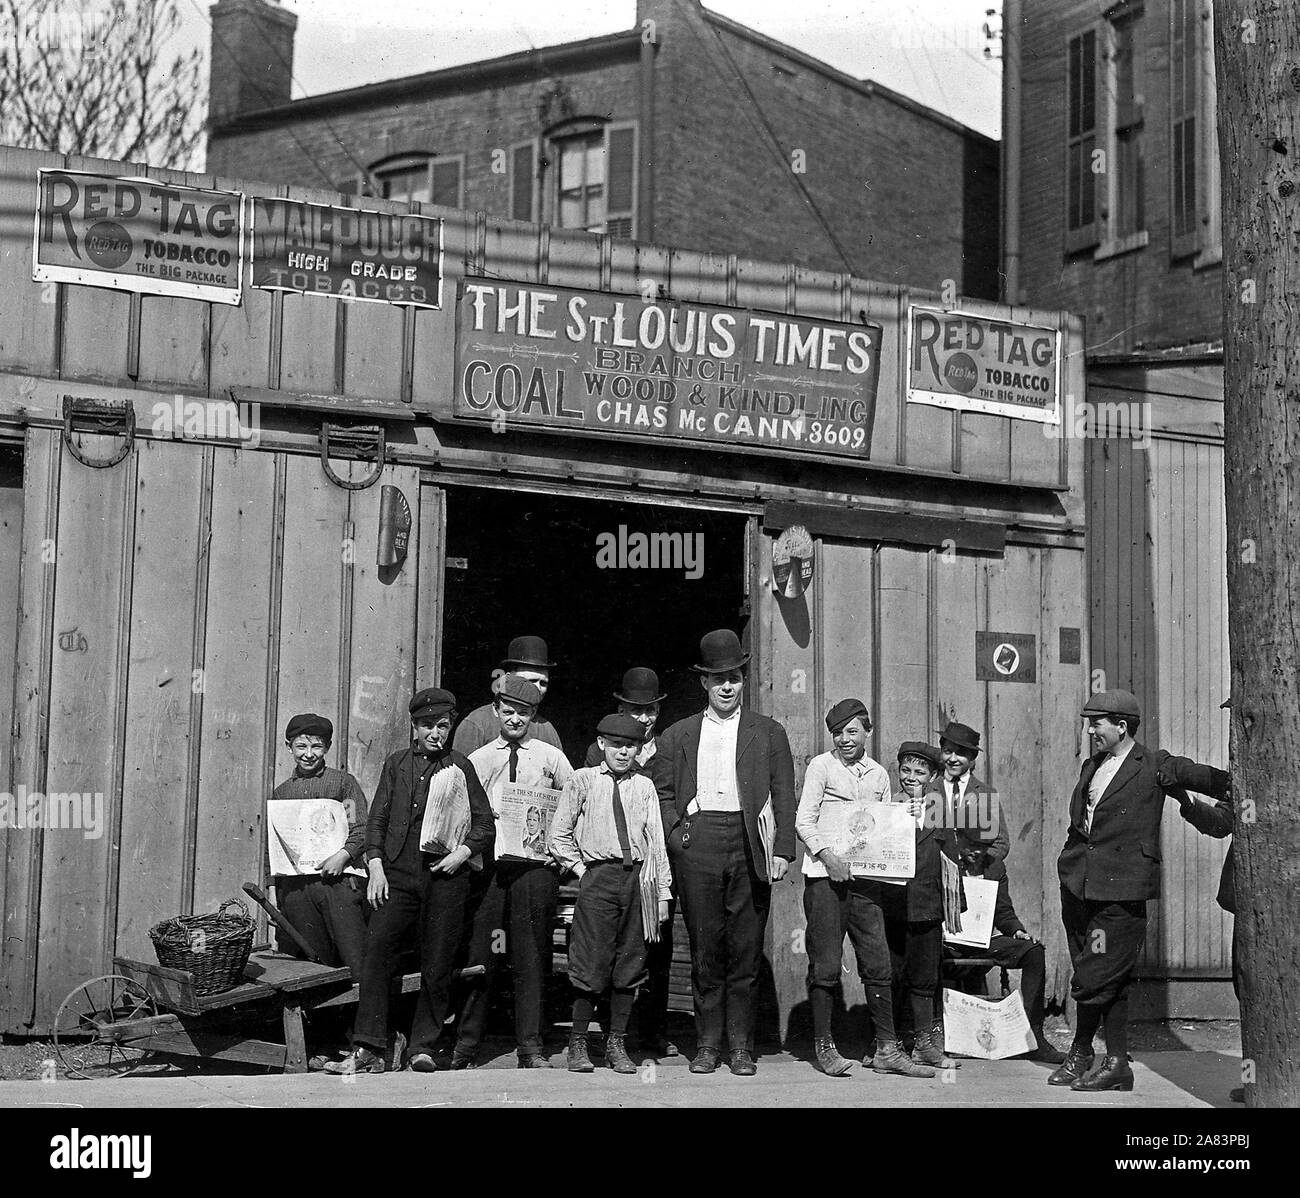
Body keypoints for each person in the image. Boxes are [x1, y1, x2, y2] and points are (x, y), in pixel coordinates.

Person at [1052, 689, 1230, 1092]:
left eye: (1097, 722)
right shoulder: (1091, 765)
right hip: (1079, 886)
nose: (1091, 729)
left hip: (1121, 891)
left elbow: (1215, 782)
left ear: (1121, 726)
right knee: (1094, 969)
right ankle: (1095, 1057)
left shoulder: (1153, 764)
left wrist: (1241, 786)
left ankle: (1100, 1056)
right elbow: (1082, 823)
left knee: (1099, 972)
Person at [325, 689, 494, 1075]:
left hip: (444, 878)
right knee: (378, 950)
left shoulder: (460, 766)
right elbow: (377, 820)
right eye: (428, 726)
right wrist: (376, 865)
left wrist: (462, 854)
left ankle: (423, 1047)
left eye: (444, 725)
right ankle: (368, 1046)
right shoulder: (397, 764)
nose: (437, 733)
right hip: (397, 875)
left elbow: (485, 824)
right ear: (414, 727)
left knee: (438, 961)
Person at [655, 628, 796, 1076]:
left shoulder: (768, 732)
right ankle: (708, 1045)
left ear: (743, 678)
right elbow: (660, 794)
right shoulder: (678, 734)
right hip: (699, 843)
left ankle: (740, 1047)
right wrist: (678, 837)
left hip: (750, 841)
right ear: (704, 684)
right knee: (705, 950)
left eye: (734, 676)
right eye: (718, 679)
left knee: (745, 950)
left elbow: (784, 795)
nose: (727, 686)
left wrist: (782, 850)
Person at [795, 700, 934, 1078]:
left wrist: (909, 818)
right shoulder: (821, 767)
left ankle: (888, 1048)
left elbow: (884, 828)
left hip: (864, 884)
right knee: (825, 963)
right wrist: (829, 857)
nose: (844, 739)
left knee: (878, 961)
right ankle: (825, 1048)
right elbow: (804, 820)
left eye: (852, 732)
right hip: (826, 878)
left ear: (867, 733)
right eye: (838, 733)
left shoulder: (877, 776)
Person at [453, 674, 574, 1068]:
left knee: (531, 953)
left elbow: (573, 800)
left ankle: (531, 1047)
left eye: (524, 712)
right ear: (497, 711)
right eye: (509, 711)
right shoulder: (482, 758)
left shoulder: (549, 756)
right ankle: (467, 1045)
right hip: (490, 870)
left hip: (535, 870)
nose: (515, 719)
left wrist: (560, 849)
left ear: (533, 714)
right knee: (484, 951)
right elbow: (461, 809)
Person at [550, 713, 672, 1074]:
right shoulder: (582, 780)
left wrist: (662, 893)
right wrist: (582, 871)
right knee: (591, 962)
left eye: (630, 746)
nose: (623, 752)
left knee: (630, 964)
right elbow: (559, 834)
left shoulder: (644, 786)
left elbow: (657, 843)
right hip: (597, 878)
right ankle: (578, 1044)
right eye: (616, 745)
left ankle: (617, 1043)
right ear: (601, 744)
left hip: (636, 880)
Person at [582, 667, 676, 1057]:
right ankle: (609, 1032)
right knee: (611, 949)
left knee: (657, 948)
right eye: (636, 709)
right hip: (615, 866)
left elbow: (670, 801)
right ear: (621, 707)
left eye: (651, 710)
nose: (644, 718)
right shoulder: (600, 750)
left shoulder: (667, 750)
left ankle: (651, 1030)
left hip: (654, 862)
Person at [944, 829, 1066, 1064]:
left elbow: (1003, 911)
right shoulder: (946, 863)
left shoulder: (994, 868)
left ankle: (1033, 1037)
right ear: (959, 839)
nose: (978, 851)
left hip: (983, 939)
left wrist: (1018, 931)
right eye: (972, 845)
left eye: (984, 845)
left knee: (1033, 952)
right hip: (950, 940)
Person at [267, 713, 369, 978]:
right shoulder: (282, 793)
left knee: (354, 955)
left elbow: (361, 828)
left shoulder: (343, 783)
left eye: (316, 746)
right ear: (289, 747)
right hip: (298, 889)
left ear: (327, 748)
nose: (309, 754)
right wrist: (272, 888)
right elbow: (275, 845)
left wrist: (342, 856)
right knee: (313, 962)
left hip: (338, 884)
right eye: (301, 746)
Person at [880, 741, 959, 1069]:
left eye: (920, 772)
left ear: (934, 776)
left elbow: (950, 859)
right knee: (893, 974)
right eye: (906, 770)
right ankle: (891, 1043)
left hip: (927, 905)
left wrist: (953, 908)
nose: (911, 777)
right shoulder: (886, 807)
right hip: (895, 906)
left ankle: (924, 1044)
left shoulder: (939, 811)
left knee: (925, 975)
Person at [452, 635, 565, 756]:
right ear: (508, 678)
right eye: (530, 681)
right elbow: (461, 772)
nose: (537, 688)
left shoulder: (546, 729)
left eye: (543, 683)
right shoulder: (477, 724)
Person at [931, 721, 1008, 863]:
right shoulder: (929, 790)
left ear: (972, 757)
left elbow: (1001, 844)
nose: (953, 759)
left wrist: (976, 859)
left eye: (960, 753)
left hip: (973, 876)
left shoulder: (985, 794)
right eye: (948, 751)